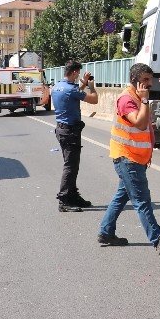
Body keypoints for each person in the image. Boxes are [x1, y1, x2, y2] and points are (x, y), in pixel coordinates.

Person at [98, 63, 160, 256]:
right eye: (146, 80)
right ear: (135, 81)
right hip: (127, 158)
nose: (151, 84)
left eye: (151, 80)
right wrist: (144, 101)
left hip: (136, 158)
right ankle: (158, 239)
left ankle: (105, 232)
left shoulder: (138, 98)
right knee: (142, 200)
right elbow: (141, 124)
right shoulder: (127, 100)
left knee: (122, 196)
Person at [51, 60, 99, 212]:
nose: (79, 75)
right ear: (73, 73)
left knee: (72, 165)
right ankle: (64, 200)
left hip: (62, 129)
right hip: (70, 131)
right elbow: (94, 99)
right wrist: (91, 86)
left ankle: (72, 195)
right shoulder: (70, 89)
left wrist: (83, 83)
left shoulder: (58, 86)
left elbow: (74, 94)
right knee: (70, 166)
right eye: (78, 73)